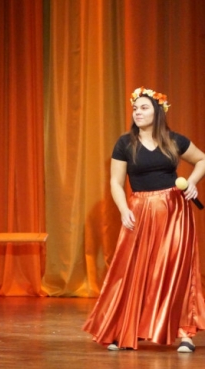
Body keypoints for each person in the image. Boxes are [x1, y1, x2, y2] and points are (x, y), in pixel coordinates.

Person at [83, 87, 205, 352]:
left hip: (174, 212)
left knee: (176, 271)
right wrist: (123, 208)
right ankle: (126, 330)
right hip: (140, 210)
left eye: (144, 108)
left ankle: (185, 334)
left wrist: (192, 182)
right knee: (134, 270)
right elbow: (116, 182)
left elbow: (202, 160)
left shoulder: (174, 140)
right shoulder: (125, 144)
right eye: (135, 108)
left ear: (158, 111)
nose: (137, 112)